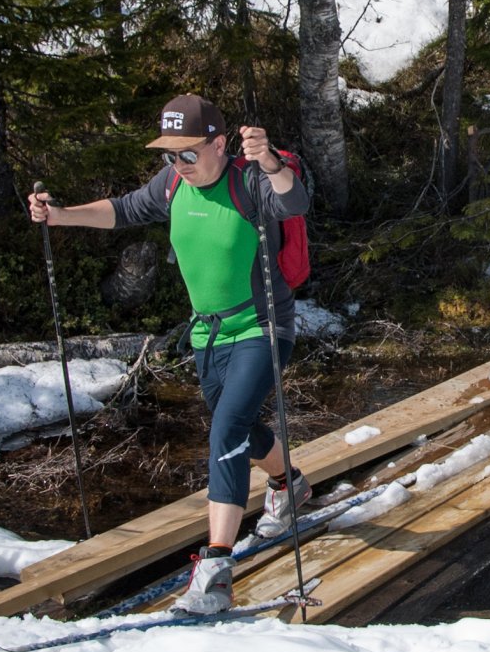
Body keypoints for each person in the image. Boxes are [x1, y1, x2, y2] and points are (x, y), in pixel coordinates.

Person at [27, 94, 312, 614]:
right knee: (240, 429)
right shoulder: (173, 185)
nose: (177, 163)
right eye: (169, 155)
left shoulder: (249, 182)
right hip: (207, 334)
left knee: (225, 430)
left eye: (187, 153)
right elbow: (122, 210)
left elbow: (293, 202)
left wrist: (269, 161)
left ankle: (216, 567)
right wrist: (59, 216)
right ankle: (288, 484)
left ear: (219, 144)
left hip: (263, 327)